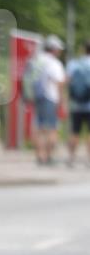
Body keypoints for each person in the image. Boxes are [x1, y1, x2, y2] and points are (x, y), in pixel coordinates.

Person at [31, 35, 66, 165]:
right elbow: (59, 83)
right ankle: (49, 157)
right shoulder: (54, 63)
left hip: (37, 97)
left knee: (39, 128)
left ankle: (39, 156)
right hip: (50, 98)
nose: (60, 51)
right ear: (54, 49)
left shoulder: (36, 60)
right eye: (59, 49)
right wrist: (62, 101)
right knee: (52, 128)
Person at [66, 39, 90, 167]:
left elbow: (68, 81)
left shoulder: (74, 64)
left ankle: (71, 158)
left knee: (75, 132)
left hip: (76, 104)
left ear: (83, 49)